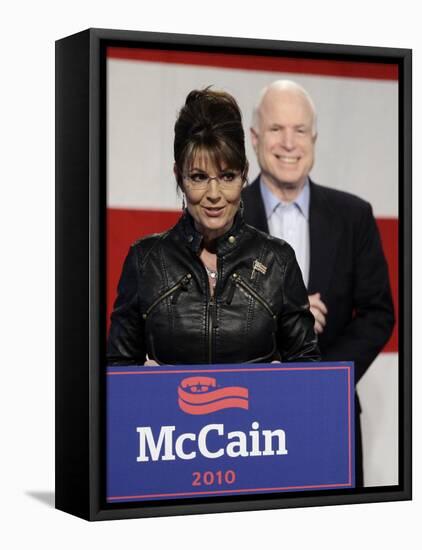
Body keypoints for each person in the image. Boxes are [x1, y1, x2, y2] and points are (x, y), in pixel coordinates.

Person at [242, 79, 395, 485]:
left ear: (315, 138)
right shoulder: (225, 218)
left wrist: (323, 379)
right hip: (243, 421)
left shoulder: (353, 216)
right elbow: (201, 313)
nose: (289, 142)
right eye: (276, 129)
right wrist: (281, 313)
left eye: (300, 130)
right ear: (255, 138)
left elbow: (379, 315)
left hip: (332, 414)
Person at [107, 88, 320, 368]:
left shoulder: (277, 261)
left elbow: (309, 376)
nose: (214, 194)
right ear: (179, 176)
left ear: (244, 174)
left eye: (227, 176)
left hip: (256, 414)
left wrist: (280, 382)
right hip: (167, 414)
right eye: (198, 177)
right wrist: (142, 381)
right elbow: (116, 377)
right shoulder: (145, 261)